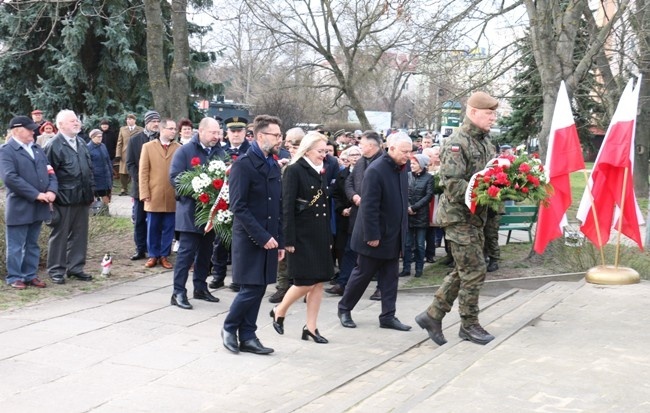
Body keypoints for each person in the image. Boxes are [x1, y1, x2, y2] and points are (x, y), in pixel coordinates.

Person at [415, 91, 498, 346]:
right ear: (473, 113)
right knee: (475, 269)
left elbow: (491, 174)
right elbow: (452, 184)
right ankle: (469, 325)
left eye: (494, 114)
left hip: (477, 217)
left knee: (465, 270)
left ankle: (433, 314)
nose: (493, 118)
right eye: (489, 113)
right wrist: (484, 193)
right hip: (458, 217)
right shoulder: (457, 142)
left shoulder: (486, 143)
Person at [337, 132, 413, 332]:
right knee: (362, 274)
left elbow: (402, 200)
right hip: (374, 236)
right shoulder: (376, 170)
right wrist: (372, 235)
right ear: (392, 148)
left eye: (410, 151)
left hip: (393, 235)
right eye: (404, 151)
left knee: (390, 277)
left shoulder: (402, 169)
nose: (408, 155)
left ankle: (388, 316)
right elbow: (369, 206)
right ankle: (344, 308)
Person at [222, 114, 284, 355]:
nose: (280, 139)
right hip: (250, 238)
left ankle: (248, 335)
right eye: (275, 135)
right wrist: (263, 236)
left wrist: (280, 240)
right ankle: (229, 327)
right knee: (250, 289)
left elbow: (277, 207)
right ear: (260, 136)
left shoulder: (272, 164)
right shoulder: (243, 165)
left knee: (259, 289)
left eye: (280, 135)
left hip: (269, 238)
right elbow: (238, 206)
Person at [270, 132, 334, 344]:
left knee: (318, 283)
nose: (323, 155)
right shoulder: (294, 170)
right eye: (320, 151)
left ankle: (311, 328)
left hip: (320, 235)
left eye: (326, 151)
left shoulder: (320, 170)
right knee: (305, 282)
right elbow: (287, 206)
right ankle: (280, 310)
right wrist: (287, 239)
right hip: (302, 236)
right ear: (307, 150)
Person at [169, 117, 225, 309]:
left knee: (206, 253)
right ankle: (178, 292)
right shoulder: (184, 151)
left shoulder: (219, 152)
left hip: (211, 214)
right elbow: (175, 178)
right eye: (213, 132)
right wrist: (199, 190)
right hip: (191, 212)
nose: (216, 136)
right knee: (186, 254)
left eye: (218, 133)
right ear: (200, 131)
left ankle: (200, 288)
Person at [0, 116, 57, 289]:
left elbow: (50, 172)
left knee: (33, 244)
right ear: (17, 130)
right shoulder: (6, 150)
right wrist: (36, 194)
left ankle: (30, 275)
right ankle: (15, 277)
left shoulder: (37, 148)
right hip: (20, 206)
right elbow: (10, 178)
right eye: (29, 129)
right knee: (16, 245)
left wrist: (51, 191)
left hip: (39, 204)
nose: (34, 131)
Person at [44, 110, 95, 284]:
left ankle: (76, 267)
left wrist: (91, 193)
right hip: (62, 199)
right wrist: (50, 199)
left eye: (77, 120)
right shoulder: (53, 145)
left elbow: (88, 171)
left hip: (82, 197)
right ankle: (56, 270)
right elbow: (47, 175)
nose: (77, 123)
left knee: (80, 235)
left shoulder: (81, 143)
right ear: (61, 125)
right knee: (60, 235)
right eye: (72, 121)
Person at [344, 130, 384, 301]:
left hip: (377, 217)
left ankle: (380, 288)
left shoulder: (384, 162)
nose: (359, 147)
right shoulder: (361, 162)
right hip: (358, 214)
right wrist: (353, 195)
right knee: (351, 251)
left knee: (380, 257)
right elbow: (349, 181)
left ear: (370, 145)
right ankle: (343, 283)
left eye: (362, 145)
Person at [267, 126, 304, 303]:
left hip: (303, 217)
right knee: (283, 253)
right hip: (285, 214)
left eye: (292, 143)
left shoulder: (311, 165)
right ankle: (283, 287)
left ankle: (301, 285)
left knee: (302, 253)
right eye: (289, 144)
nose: (288, 147)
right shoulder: (285, 165)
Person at [139, 118, 180, 270]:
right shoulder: (148, 147)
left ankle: (164, 255)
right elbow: (143, 171)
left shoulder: (178, 148)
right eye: (170, 128)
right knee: (152, 226)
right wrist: (144, 192)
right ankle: (152, 255)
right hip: (153, 193)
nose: (173, 131)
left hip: (172, 194)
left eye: (175, 129)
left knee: (169, 227)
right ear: (162, 130)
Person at [219, 116, 250, 292]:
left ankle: (238, 279)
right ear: (227, 133)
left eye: (239, 131)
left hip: (242, 204)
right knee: (220, 241)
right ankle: (218, 275)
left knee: (240, 245)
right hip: (222, 203)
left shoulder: (251, 151)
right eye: (233, 131)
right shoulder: (220, 152)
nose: (236, 134)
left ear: (245, 133)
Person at [326, 145, 361, 296]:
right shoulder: (342, 175)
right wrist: (342, 209)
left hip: (360, 216)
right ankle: (343, 282)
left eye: (357, 154)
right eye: (351, 155)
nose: (354, 157)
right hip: (345, 219)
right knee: (346, 250)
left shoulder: (367, 172)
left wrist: (354, 208)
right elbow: (336, 195)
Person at [126, 110, 160, 261]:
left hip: (158, 186)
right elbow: (130, 163)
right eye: (153, 121)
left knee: (156, 220)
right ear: (147, 122)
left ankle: (156, 249)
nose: (156, 124)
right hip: (140, 186)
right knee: (140, 219)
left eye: (158, 121)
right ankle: (140, 248)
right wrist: (140, 179)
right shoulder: (135, 140)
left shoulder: (162, 139)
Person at [400, 154, 433, 278]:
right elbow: (403, 192)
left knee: (419, 244)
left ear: (421, 164)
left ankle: (419, 268)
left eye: (414, 163)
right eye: (411, 163)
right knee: (407, 244)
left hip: (421, 215)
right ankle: (406, 268)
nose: (411, 165)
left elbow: (428, 196)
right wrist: (408, 207)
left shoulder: (429, 178)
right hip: (408, 215)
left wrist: (414, 208)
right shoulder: (407, 176)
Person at [115, 114, 143, 196]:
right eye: (127, 119)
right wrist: (118, 154)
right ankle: (124, 189)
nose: (128, 121)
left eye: (130, 119)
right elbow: (119, 142)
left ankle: (135, 188)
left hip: (136, 153)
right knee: (123, 172)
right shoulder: (122, 129)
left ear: (134, 120)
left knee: (135, 170)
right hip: (125, 153)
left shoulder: (140, 129)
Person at [87, 129, 113, 214]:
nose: (100, 138)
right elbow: (88, 164)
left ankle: (105, 211)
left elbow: (108, 160)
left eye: (101, 136)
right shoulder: (88, 148)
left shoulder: (103, 146)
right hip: (95, 175)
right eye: (98, 137)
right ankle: (94, 212)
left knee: (106, 193)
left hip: (105, 174)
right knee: (95, 194)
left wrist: (110, 170)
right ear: (92, 137)